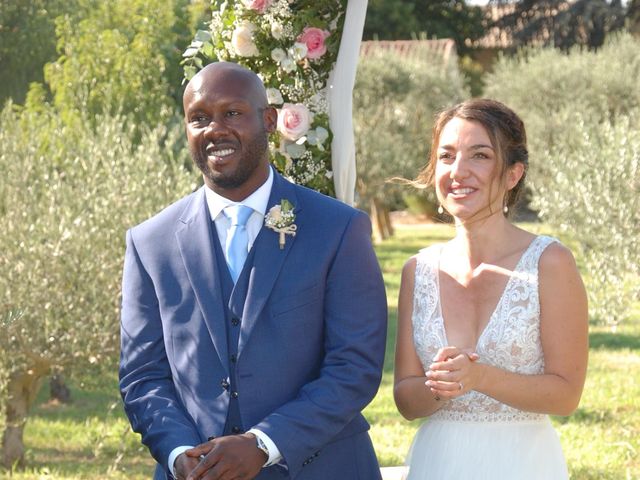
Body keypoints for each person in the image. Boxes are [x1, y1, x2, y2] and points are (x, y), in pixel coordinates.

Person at [119, 61, 387, 480]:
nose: (214, 129)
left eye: (232, 113)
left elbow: (354, 366)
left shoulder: (338, 229)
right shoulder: (149, 242)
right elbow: (142, 376)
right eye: (199, 118)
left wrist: (264, 444)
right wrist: (178, 454)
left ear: (268, 120)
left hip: (321, 468)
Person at [394, 99, 588, 479]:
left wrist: (481, 378)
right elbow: (405, 398)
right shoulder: (417, 269)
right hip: (439, 462)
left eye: (479, 156)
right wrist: (440, 387)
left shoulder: (549, 262)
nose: (458, 171)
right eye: (447, 156)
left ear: (513, 174)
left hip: (522, 462)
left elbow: (566, 395)